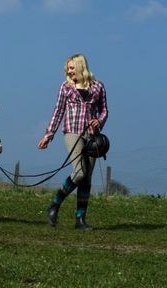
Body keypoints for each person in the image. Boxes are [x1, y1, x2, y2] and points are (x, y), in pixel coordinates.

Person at [37, 54, 108, 229]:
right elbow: (58, 111)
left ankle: (80, 219)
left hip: (92, 135)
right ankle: (55, 203)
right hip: (72, 133)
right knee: (80, 172)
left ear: (80, 66)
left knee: (87, 178)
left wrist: (99, 121)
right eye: (67, 68)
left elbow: (104, 110)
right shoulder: (65, 87)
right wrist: (49, 134)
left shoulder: (98, 86)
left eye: (71, 67)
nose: (68, 71)